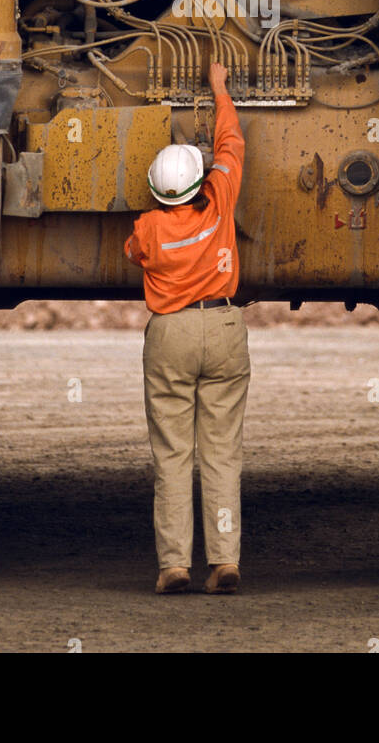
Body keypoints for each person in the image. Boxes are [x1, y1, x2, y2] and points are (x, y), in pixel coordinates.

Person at [124, 60, 250, 595]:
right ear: (202, 183)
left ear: (156, 191)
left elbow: (133, 253)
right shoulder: (220, 205)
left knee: (172, 456)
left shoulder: (148, 228)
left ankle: (174, 565)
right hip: (224, 328)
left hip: (170, 335)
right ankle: (224, 563)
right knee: (221, 454)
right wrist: (219, 89)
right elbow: (230, 144)